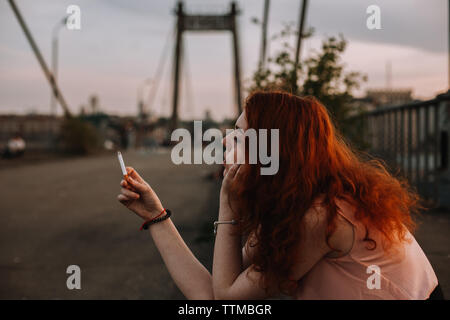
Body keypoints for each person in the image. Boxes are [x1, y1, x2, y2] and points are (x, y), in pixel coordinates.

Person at [117, 91, 442, 300]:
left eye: (240, 134)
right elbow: (214, 295)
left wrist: (227, 205)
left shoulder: (320, 214)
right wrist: (156, 216)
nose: (226, 140)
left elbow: (227, 300)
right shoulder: (295, 204)